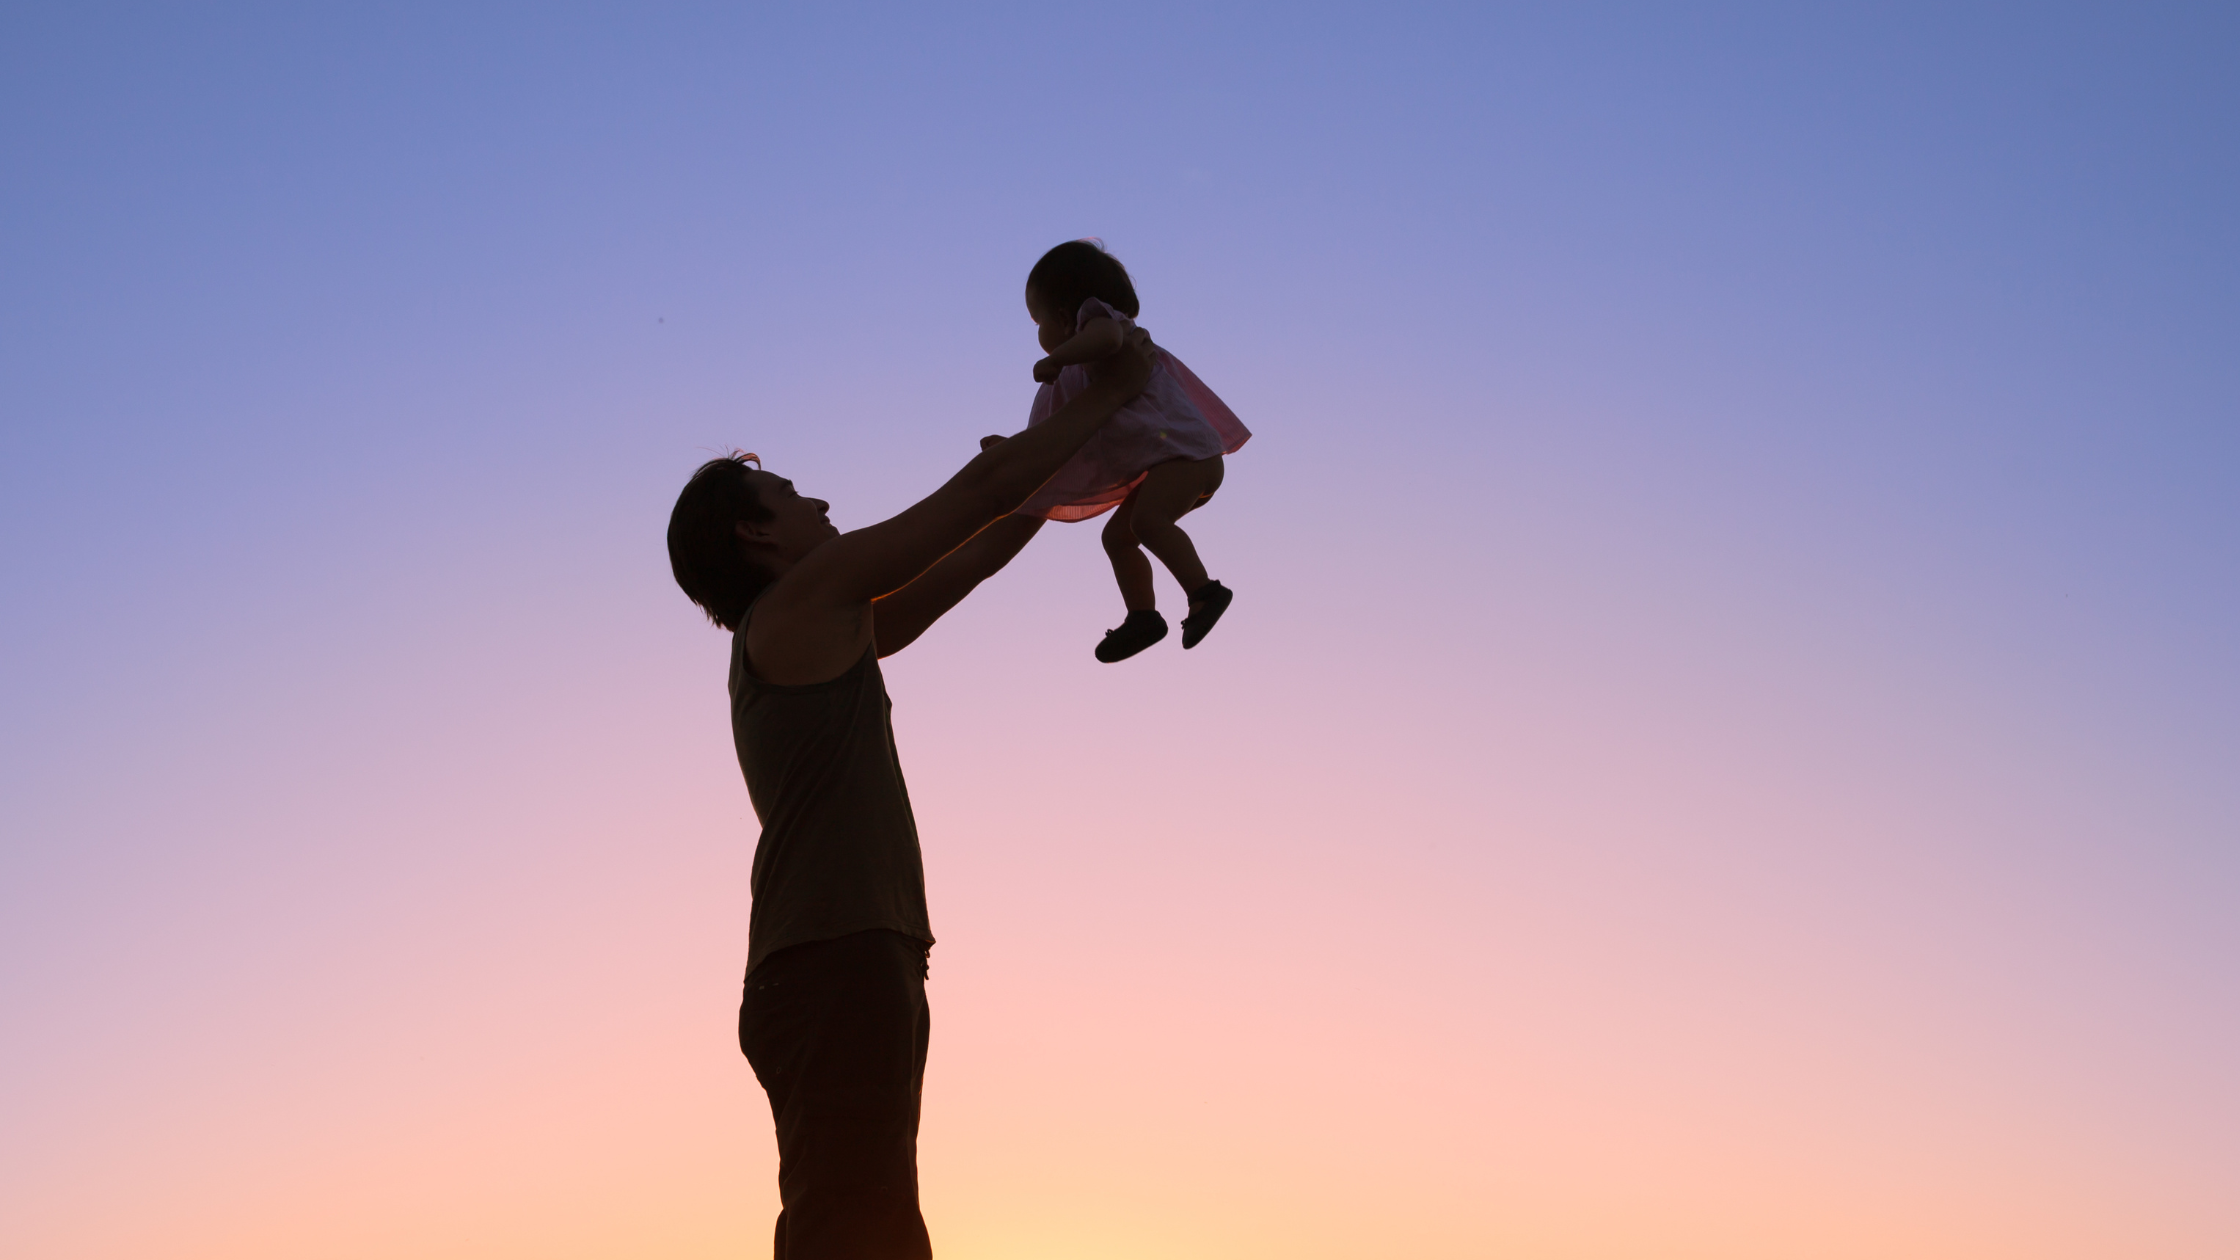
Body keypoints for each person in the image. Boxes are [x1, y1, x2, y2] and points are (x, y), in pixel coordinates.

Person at [664, 329, 1158, 1260]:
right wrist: (1110, 396)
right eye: (788, 494)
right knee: (858, 1229)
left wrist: (1050, 477)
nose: (816, 500)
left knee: (871, 1222)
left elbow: (966, 552)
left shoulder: (826, 621)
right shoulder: (803, 600)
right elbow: (970, 500)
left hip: (844, 961)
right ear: (756, 531)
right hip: (833, 962)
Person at [1017, 239, 1253, 662]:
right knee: (1117, 538)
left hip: (1186, 456)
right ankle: (1142, 616)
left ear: (1061, 315)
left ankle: (1204, 592)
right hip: (1174, 463)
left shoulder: (1103, 324)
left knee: (1147, 522)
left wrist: (1057, 359)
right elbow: (1057, 432)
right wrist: (1014, 450)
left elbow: (1104, 338)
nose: (1038, 334)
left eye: (1036, 321)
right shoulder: (1084, 369)